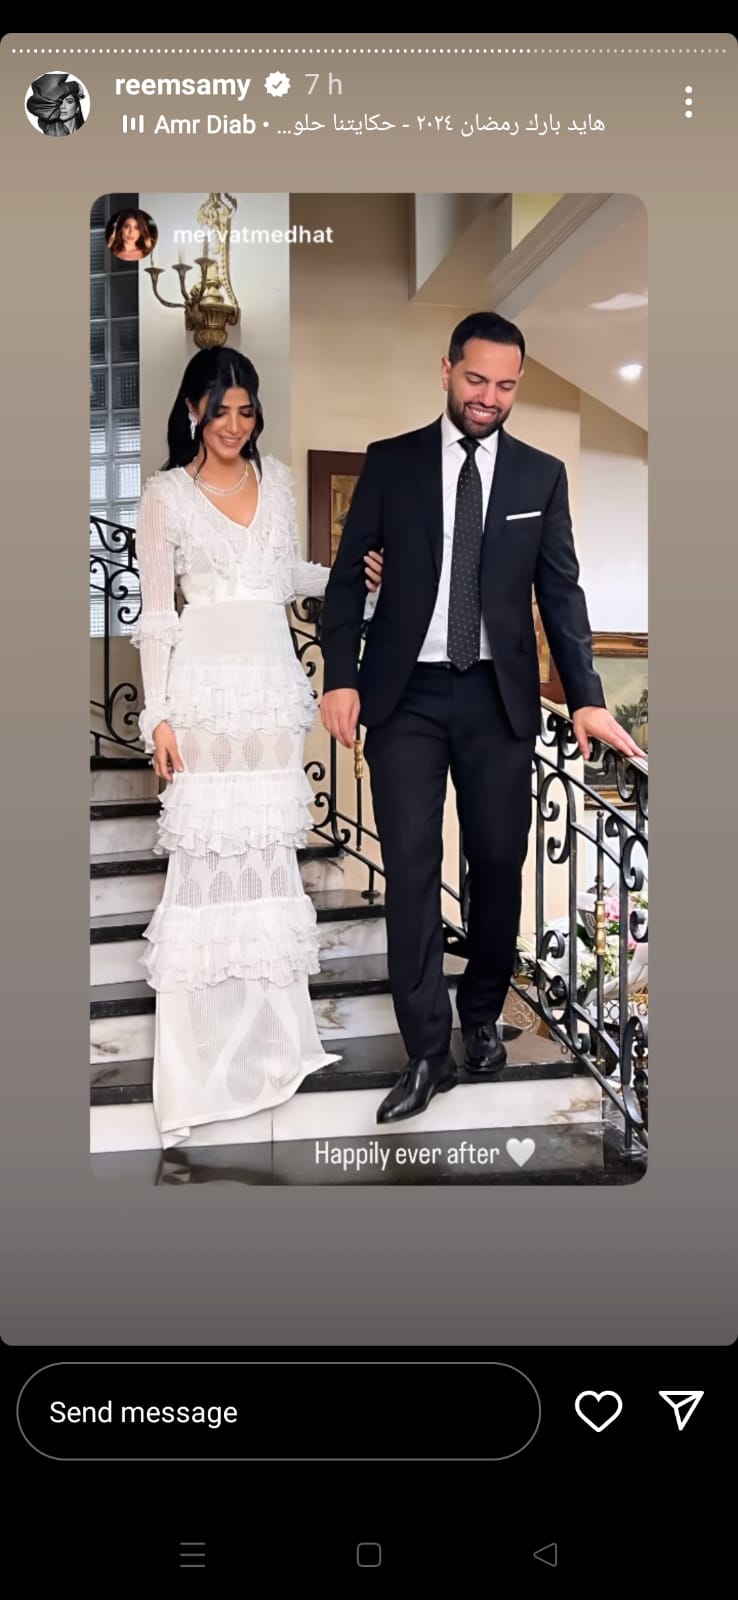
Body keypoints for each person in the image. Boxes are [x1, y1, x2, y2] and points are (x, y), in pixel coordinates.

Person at [319, 310, 643, 1126]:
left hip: (499, 698)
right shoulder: (391, 462)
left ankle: (482, 1010)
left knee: (499, 863)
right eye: (475, 379)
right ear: (446, 369)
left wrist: (587, 696)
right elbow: (347, 583)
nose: (488, 397)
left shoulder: (541, 476)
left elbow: (561, 594)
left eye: (504, 385)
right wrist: (341, 678)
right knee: (412, 868)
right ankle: (428, 1051)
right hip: (407, 695)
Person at [132, 346, 382, 1148]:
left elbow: (283, 575)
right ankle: (200, 1069)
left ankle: (272, 1047)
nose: (233, 425)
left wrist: (354, 578)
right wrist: (158, 718)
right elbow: (157, 615)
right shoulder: (165, 495)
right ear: (192, 411)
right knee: (205, 869)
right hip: (204, 698)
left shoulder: (275, 481)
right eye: (219, 410)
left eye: (245, 410)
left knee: (269, 868)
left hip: (271, 694)